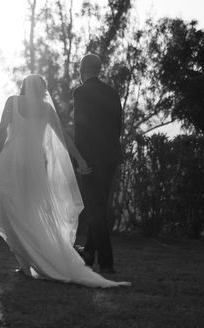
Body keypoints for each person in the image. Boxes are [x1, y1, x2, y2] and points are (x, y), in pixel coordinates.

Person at [0, 74, 129, 288]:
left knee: (12, 211)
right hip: (36, 162)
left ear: (24, 87)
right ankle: (27, 261)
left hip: (12, 160)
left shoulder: (12, 102)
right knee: (30, 212)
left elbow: (2, 130)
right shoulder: (46, 109)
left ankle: (27, 262)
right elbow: (64, 137)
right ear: (42, 90)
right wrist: (80, 159)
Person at [73, 54, 123, 274]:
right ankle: (89, 254)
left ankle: (107, 262)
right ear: (99, 70)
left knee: (96, 209)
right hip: (111, 156)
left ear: (82, 69)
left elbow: (81, 126)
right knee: (100, 207)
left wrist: (80, 158)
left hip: (91, 158)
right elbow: (118, 125)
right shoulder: (113, 93)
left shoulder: (80, 92)